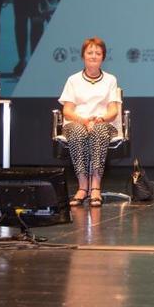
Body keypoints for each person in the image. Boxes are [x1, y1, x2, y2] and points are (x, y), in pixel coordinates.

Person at [58, 37, 122, 208]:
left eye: (98, 53)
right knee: (77, 131)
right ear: (83, 56)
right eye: (90, 52)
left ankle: (95, 186)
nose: (94, 56)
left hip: (102, 123)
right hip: (77, 121)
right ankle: (82, 186)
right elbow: (68, 110)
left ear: (103, 57)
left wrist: (100, 119)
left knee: (99, 130)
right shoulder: (73, 80)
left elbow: (113, 110)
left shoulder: (110, 80)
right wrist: (83, 120)